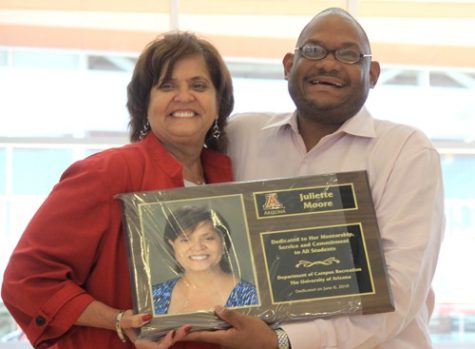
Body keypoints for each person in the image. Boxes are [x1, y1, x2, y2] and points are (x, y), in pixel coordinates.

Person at [182, 7, 445, 349]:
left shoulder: (406, 151)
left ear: (373, 73)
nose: (329, 64)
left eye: (349, 54)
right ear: (289, 65)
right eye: (313, 50)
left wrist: (283, 341)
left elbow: (400, 290)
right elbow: (186, 201)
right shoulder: (239, 135)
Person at [1, 31, 234, 349]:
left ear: (219, 102)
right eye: (167, 86)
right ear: (145, 103)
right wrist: (118, 320)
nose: (184, 96)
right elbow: (27, 280)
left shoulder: (228, 181)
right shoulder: (107, 172)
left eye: (199, 85)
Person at [152, 205, 258, 315]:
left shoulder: (252, 296)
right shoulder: (154, 295)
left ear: (223, 243)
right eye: (186, 239)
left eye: (208, 238)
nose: (197, 247)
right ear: (172, 245)